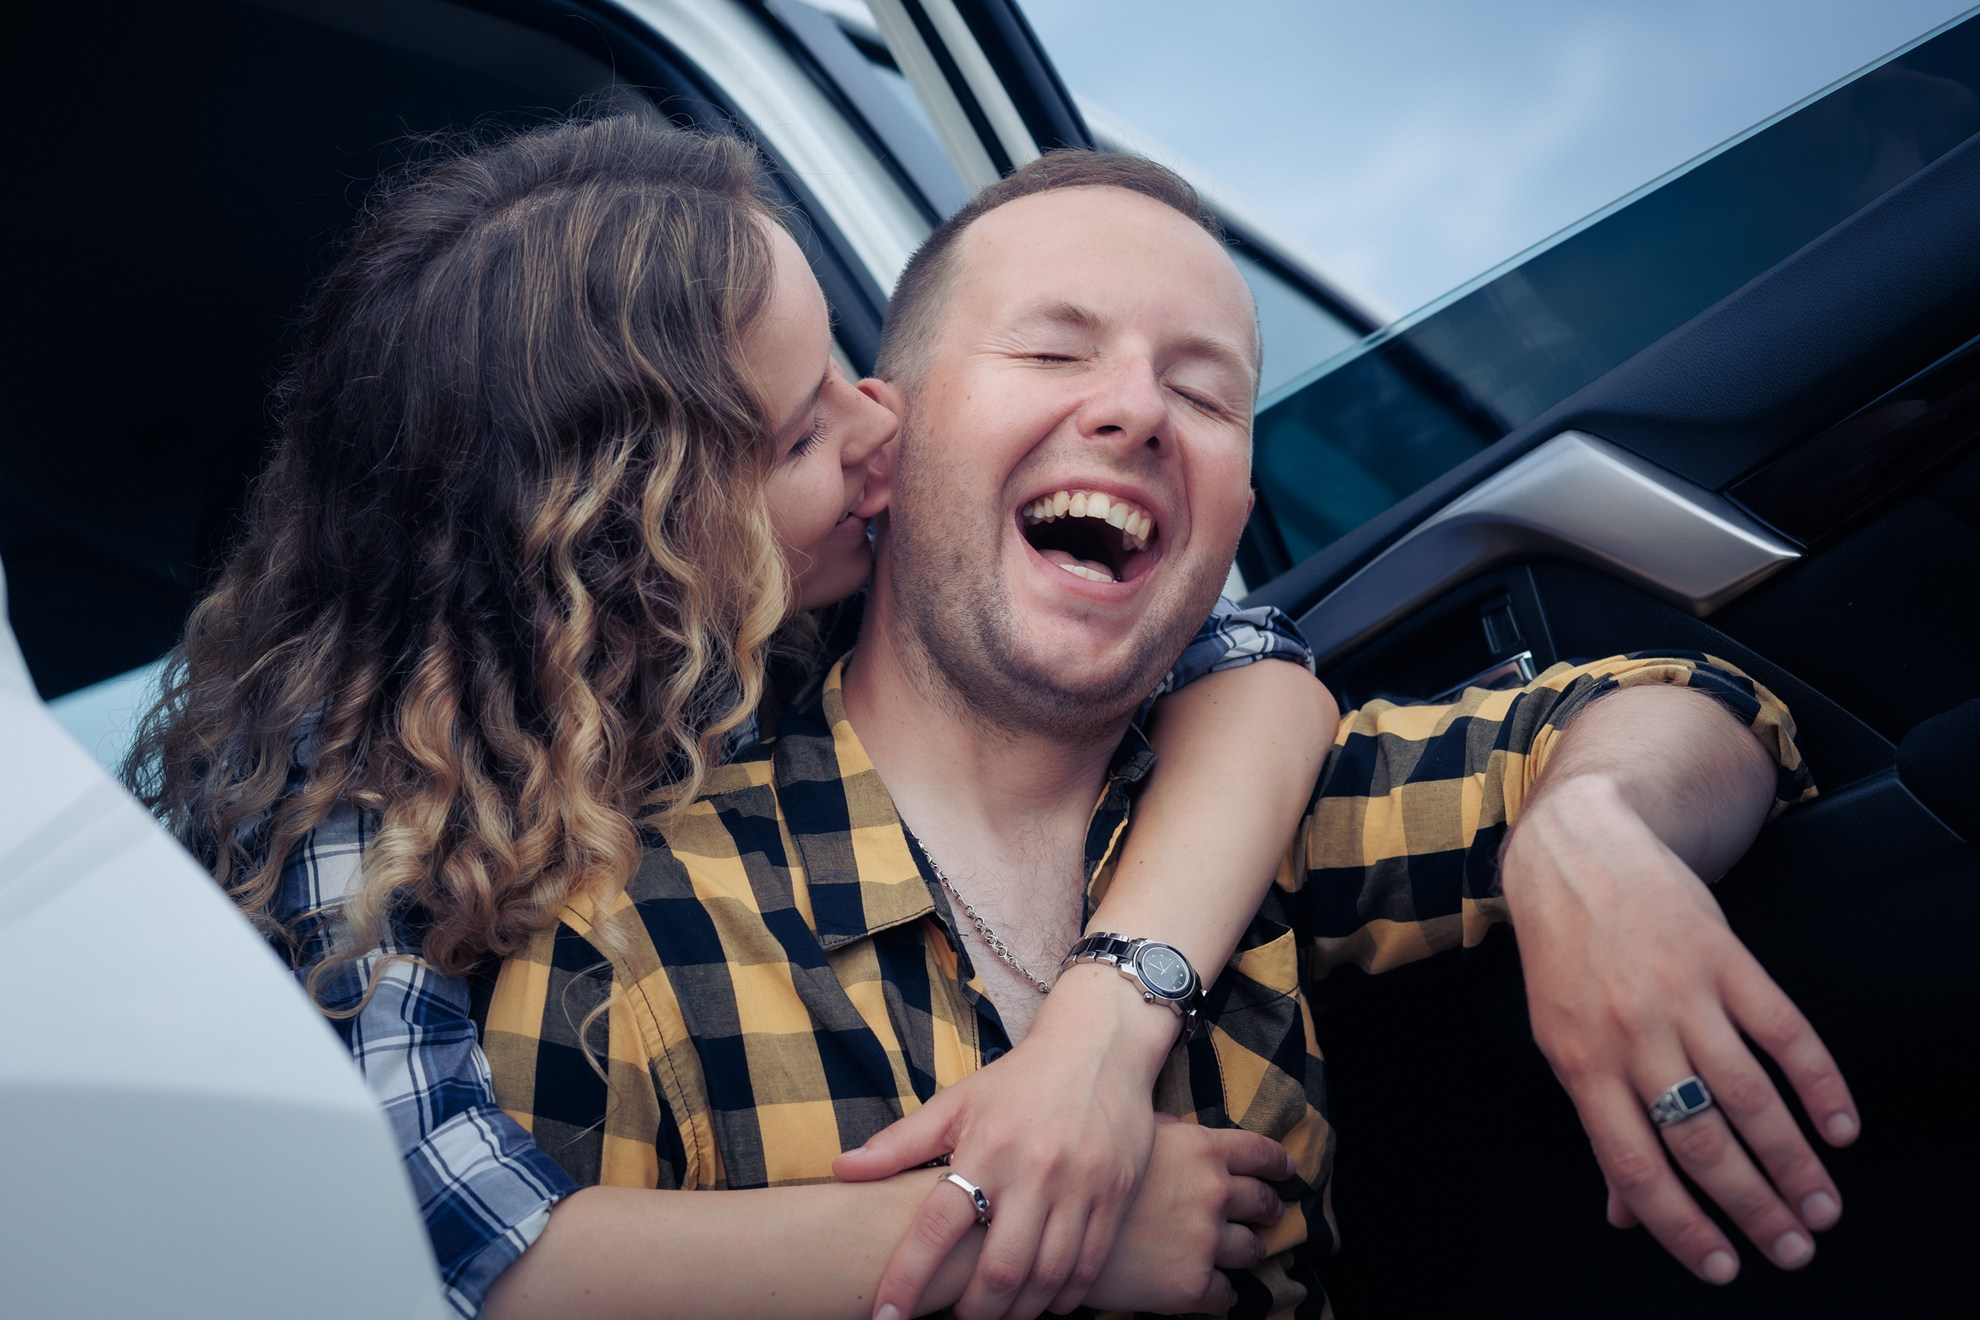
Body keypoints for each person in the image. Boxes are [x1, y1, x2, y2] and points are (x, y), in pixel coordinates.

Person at [477, 149, 1861, 1319]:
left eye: (1204, 395)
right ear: (887, 445)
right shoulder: (618, 949)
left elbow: (1695, 708)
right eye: (1052, 350)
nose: (1138, 410)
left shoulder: (1268, 809)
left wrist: (1591, 835)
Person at [127, 114, 1336, 1319]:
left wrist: (1095, 1036)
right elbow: (452, 1248)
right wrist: (1026, 1227)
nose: (883, 423)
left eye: (843, 364)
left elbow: (1243, 663)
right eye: (806, 430)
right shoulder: (345, 810)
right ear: (635, 536)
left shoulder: (751, 632)